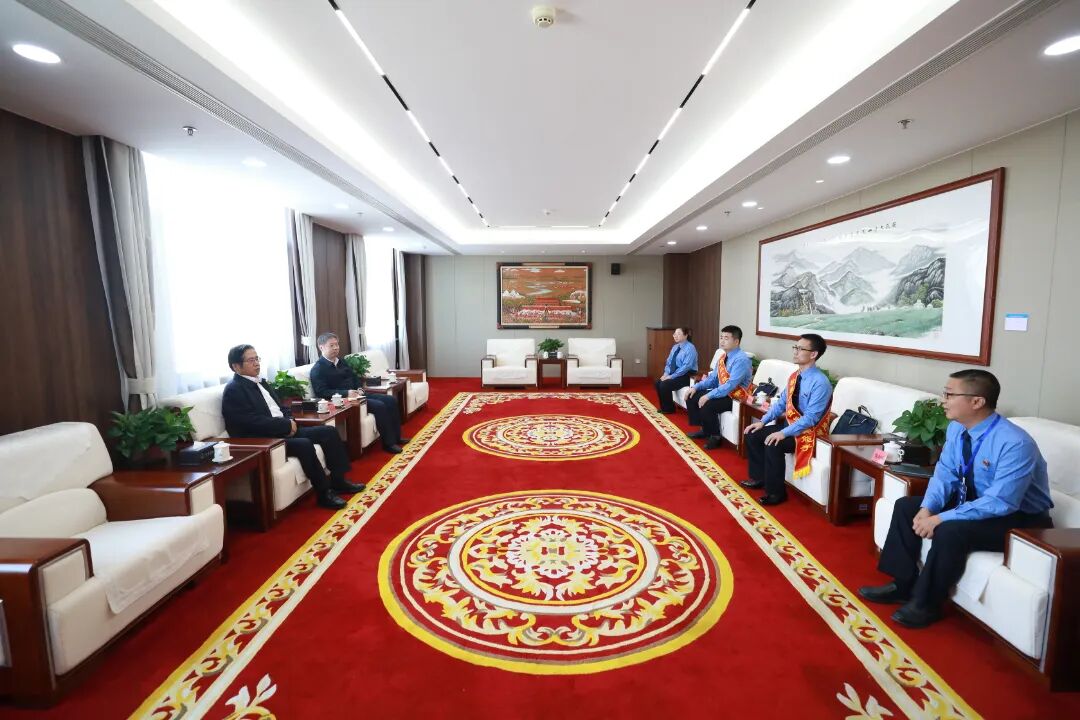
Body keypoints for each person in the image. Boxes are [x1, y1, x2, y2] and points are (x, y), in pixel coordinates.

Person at [859, 369, 1053, 628]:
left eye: (950, 395)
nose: (944, 400)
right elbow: (945, 473)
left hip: (1020, 519)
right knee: (907, 507)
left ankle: (926, 604)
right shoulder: (956, 429)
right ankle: (902, 585)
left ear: (977, 401)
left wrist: (941, 518)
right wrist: (928, 508)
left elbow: (1001, 502)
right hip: (975, 500)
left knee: (951, 530)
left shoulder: (1015, 443)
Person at [221, 344, 364, 510]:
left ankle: (339, 481)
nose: (257, 363)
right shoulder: (234, 390)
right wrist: (285, 425)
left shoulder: (262, 383)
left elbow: (281, 408)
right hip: (266, 438)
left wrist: (290, 421)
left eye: (257, 358)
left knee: (328, 432)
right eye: (251, 360)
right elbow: (250, 422)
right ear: (236, 366)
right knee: (304, 444)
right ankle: (324, 493)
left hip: (284, 429)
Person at [741, 333, 832, 506]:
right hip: (790, 426)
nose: (795, 351)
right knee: (753, 433)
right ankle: (759, 478)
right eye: (795, 347)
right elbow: (781, 403)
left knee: (774, 442)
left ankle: (776, 493)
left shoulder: (820, 382)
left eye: (800, 348)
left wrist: (783, 433)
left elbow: (811, 418)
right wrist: (762, 422)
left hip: (808, 433)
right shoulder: (794, 376)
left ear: (813, 354)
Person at [308, 332, 409, 454]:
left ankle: (397, 437)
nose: (336, 348)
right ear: (321, 347)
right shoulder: (318, 369)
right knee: (379, 406)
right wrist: (346, 393)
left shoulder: (341, 362)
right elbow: (322, 392)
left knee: (390, 400)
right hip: (344, 402)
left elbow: (354, 378)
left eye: (337, 344)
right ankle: (389, 444)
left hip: (358, 395)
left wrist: (360, 388)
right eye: (332, 345)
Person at [687, 325, 753, 450]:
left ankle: (715, 437)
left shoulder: (741, 360)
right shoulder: (723, 357)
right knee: (693, 395)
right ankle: (705, 429)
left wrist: (708, 395)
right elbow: (712, 379)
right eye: (721, 337)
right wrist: (696, 387)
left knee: (708, 404)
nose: (722, 341)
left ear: (736, 341)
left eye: (726, 338)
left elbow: (730, 385)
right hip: (723, 392)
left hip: (735, 396)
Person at [654, 327, 698, 414]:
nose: (675, 336)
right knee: (658, 382)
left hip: (687, 374)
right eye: (674, 334)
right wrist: (666, 374)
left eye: (678, 334)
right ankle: (665, 407)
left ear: (685, 335)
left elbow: (686, 367)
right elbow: (669, 362)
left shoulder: (690, 348)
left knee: (664, 384)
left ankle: (669, 409)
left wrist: (671, 376)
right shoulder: (675, 347)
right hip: (675, 372)